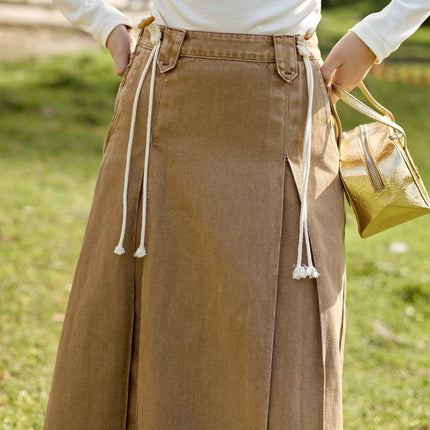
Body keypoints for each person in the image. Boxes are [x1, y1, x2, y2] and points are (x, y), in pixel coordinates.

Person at [43, 1, 430, 429]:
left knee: (293, 339)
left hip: (286, 97)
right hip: (163, 91)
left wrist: (376, 37)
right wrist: (101, 21)